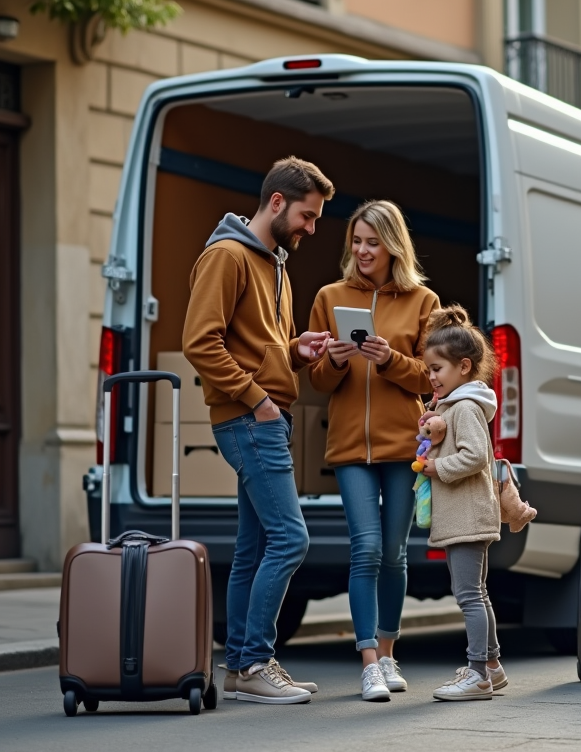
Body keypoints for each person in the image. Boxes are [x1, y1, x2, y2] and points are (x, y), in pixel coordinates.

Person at [182, 156, 334, 706]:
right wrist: (257, 400)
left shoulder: (276, 264)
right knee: (291, 538)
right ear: (276, 203)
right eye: (307, 216)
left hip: (265, 414)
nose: (311, 228)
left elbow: (255, 348)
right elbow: (201, 343)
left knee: (254, 547)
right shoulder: (226, 256)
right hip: (249, 418)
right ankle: (252, 662)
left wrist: (296, 350)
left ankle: (242, 668)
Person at [307, 200, 440, 702]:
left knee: (394, 552)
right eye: (357, 242)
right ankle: (367, 662)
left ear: (392, 246)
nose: (363, 251)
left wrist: (390, 360)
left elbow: (432, 378)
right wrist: (337, 361)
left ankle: (388, 653)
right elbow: (318, 381)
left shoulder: (423, 302)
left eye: (372, 242)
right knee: (365, 547)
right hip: (348, 448)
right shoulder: (329, 296)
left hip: (403, 446)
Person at [418, 305, 508, 702]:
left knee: (469, 594)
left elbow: (475, 457)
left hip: (469, 516)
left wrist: (437, 467)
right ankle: (491, 666)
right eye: (430, 369)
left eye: (438, 369)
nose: (431, 376)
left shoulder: (466, 408)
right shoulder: (453, 407)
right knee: (479, 593)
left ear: (465, 367)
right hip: (468, 515)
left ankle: (477, 674)